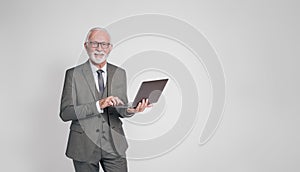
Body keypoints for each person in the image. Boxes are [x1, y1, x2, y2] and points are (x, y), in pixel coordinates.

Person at [59, 27, 150, 172]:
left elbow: (120, 108)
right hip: (83, 146)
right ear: (86, 46)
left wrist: (131, 109)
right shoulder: (73, 74)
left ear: (110, 48)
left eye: (104, 44)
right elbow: (65, 113)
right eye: (94, 43)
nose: (99, 48)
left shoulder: (119, 73)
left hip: (114, 145)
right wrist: (97, 105)